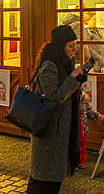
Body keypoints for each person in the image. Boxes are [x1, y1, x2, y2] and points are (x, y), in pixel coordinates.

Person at [27, 25, 87, 194]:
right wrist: (74, 78)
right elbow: (55, 96)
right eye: (70, 45)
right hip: (48, 133)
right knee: (40, 182)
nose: (74, 49)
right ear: (60, 46)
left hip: (60, 133)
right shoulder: (49, 66)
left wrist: (78, 88)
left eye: (75, 45)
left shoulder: (65, 64)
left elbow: (64, 91)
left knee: (54, 182)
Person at [77, 89, 104, 169]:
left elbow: (88, 111)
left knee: (81, 144)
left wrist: (97, 115)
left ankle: (79, 162)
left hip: (82, 126)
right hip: (73, 125)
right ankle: (72, 162)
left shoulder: (83, 98)